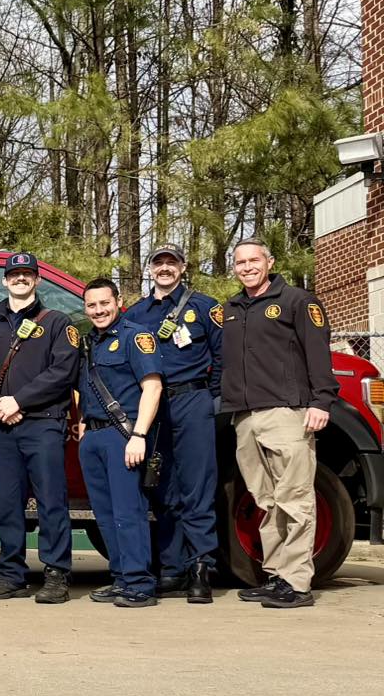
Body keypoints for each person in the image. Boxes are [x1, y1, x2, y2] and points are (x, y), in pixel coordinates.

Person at [221, 237, 337, 609]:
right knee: (265, 500)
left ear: (269, 262)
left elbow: (318, 352)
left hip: (287, 412)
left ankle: (298, 583)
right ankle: (276, 575)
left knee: (295, 499)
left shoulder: (297, 301)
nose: (247, 268)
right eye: (240, 263)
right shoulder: (232, 308)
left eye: (254, 260)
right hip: (245, 416)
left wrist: (321, 401)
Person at [122, 243, 223, 603]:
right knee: (162, 488)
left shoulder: (204, 307)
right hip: (153, 407)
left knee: (197, 486)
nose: (165, 268)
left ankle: (200, 568)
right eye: (159, 262)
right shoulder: (135, 314)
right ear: (150, 268)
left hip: (192, 401)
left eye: (171, 262)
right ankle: (172, 567)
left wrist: (210, 400)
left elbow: (222, 357)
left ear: (183, 267)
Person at [0, 252, 80, 604]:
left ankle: (56, 574)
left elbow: (62, 372)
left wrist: (18, 401)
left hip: (44, 424)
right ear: (5, 280)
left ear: (37, 280)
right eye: (14, 274)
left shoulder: (57, 323)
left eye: (27, 274)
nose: (20, 279)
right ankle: (11, 575)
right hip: (2, 428)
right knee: (7, 504)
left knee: (51, 501)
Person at [75, 277, 163, 608]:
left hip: (123, 436)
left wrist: (139, 435)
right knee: (105, 515)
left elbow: (153, 387)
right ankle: (121, 577)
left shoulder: (135, 336)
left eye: (104, 303)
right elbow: (83, 388)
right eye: (91, 305)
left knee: (129, 512)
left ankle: (140, 583)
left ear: (118, 301)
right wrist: (83, 426)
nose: (98, 310)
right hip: (93, 437)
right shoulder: (87, 343)